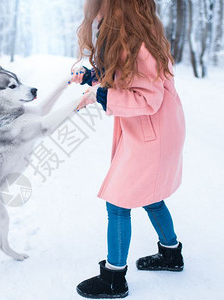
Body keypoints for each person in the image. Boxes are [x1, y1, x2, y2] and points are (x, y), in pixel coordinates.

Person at [69, 0, 186, 298]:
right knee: (151, 195)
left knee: (118, 201)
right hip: (156, 131)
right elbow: (127, 77)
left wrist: (100, 95)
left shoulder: (140, 42)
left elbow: (148, 98)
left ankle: (113, 278)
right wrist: (95, 78)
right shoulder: (132, 35)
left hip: (153, 134)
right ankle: (171, 254)